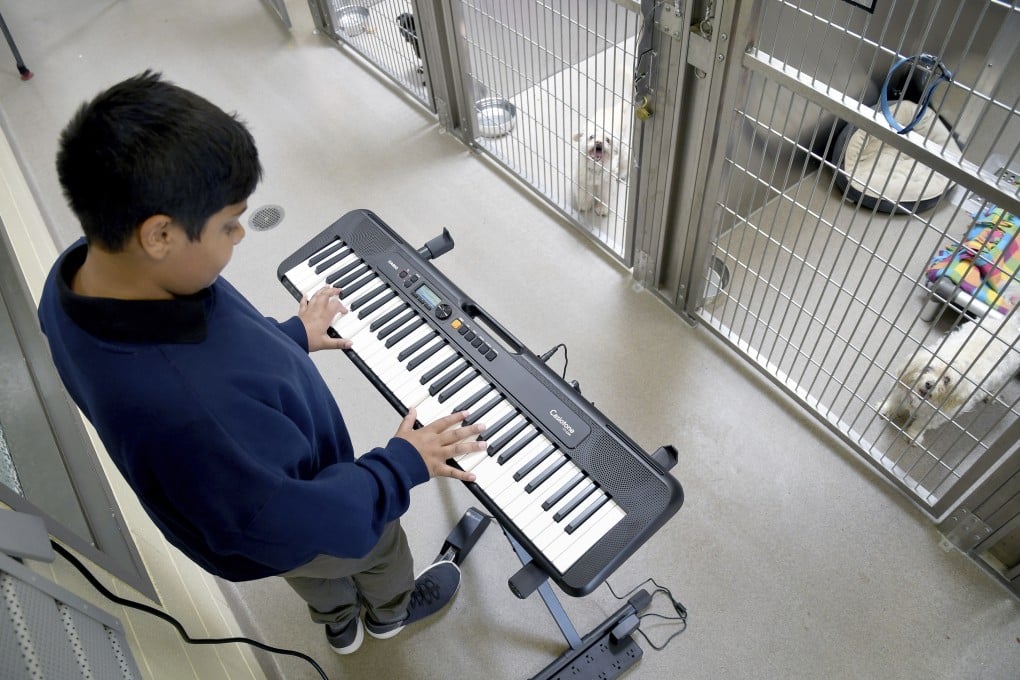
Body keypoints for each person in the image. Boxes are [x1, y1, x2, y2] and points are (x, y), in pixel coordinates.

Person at [37, 70, 487, 656]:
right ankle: (388, 614)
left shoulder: (77, 276)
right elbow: (293, 517)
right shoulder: (190, 410)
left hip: (257, 516)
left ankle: (338, 624)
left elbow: (217, 362)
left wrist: (288, 336)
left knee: (311, 576)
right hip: (302, 510)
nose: (241, 234)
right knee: (371, 549)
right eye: (228, 223)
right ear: (159, 235)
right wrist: (401, 465)